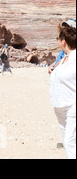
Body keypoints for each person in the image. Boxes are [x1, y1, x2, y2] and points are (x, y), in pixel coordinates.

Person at [49, 22, 76, 159]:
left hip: (72, 106)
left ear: (63, 41)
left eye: (58, 39)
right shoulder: (64, 59)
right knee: (68, 141)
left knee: (70, 142)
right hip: (60, 105)